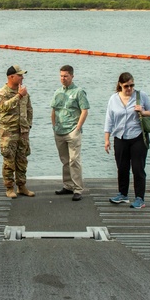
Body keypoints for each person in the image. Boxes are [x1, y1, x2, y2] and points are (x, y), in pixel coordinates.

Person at [103, 72, 150, 209]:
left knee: (138, 168)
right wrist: (106, 139)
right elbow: (109, 120)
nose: (129, 88)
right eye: (126, 86)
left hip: (137, 136)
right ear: (120, 85)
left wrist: (143, 112)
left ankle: (140, 198)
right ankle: (123, 194)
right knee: (122, 167)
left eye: (132, 85)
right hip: (120, 137)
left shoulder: (141, 96)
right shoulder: (113, 99)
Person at [50, 65, 89, 201]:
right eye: (61, 76)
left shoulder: (79, 92)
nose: (63, 78)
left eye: (66, 76)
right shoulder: (57, 92)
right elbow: (54, 110)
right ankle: (67, 185)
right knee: (65, 160)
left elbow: (84, 110)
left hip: (72, 130)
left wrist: (78, 127)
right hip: (59, 131)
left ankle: (78, 189)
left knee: (74, 161)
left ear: (72, 76)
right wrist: (54, 126)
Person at [0, 64, 34, 198]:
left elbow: (29, 110)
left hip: (22, 132)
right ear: (11, 77)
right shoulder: (3, 92)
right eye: (20, 75)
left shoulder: (24, 92)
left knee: (22, 160)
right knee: (9, 161)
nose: (22, 77)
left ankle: (22, 186)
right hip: (9, 133)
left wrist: (28, 125)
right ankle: (9, 187)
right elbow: (4, 107)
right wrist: (18, 96)